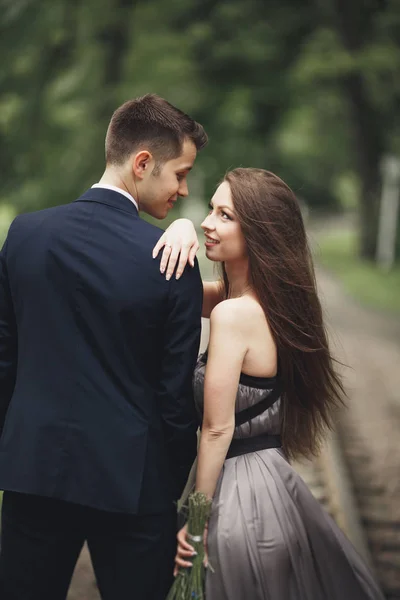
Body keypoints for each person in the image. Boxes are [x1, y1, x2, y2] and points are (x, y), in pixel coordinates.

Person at [0, 94, 207, 600]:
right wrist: (169, 489)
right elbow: (174, 397)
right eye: (179, 174)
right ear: (142, 163)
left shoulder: (24, 236)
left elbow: (5, 361)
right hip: (134, 485)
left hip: (33, 472)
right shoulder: (171, 263)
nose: (183, 190)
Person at [154, 168, 385, 599]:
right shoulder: (259, 301)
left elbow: (218, 429)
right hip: (271, 485)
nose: (208, 222)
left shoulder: (234, 315)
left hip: (237, 502)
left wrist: (197, 522)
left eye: (225, 216)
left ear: (258, 234)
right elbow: (174, 291)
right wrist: (181, 226)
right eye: (210, 211)